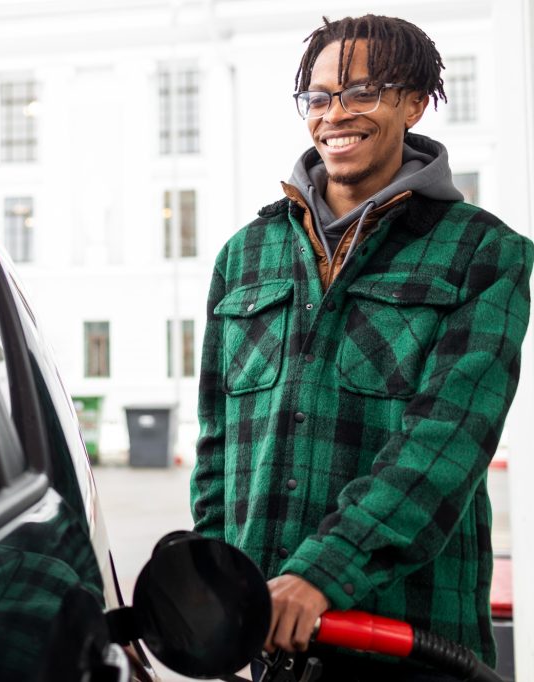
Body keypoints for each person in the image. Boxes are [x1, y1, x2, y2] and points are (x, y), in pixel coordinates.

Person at [190, 14, 533, 680]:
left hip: (410, 641)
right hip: (272, 643)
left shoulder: (485, 255)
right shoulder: (245, 257)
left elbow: (447, 444)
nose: (334, 113)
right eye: (318, 98)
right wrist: (215, 580)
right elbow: (216, 449)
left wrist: (321, 575)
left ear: (414, 102)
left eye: (362, 92)